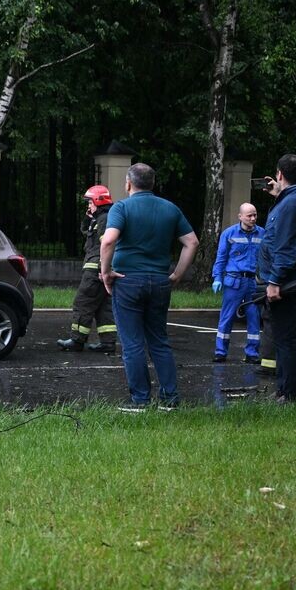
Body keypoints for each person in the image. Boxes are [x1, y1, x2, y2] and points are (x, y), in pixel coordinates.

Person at [99, 163, 199, 411]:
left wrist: (105, 272)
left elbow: (108, 241)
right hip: (160, 280)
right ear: (153, 183)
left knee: (132, 343)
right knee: (159, 340)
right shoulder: (170, 208)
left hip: (128, 280)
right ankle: (170, 398)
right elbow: (192, 242)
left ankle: (140, 400)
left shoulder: (121, 207)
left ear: (128, 183)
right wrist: (176, 275)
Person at [257, 154, 296, 403]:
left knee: (284, 339)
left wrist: (274, 282)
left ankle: (290, 394)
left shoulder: (291, 205)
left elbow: (285, 246)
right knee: (285, 337)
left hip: (284, 281)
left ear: (280, 174)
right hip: (292, 277)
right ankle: (286, 390)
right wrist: (279, 194)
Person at [57, 184, 118, 354]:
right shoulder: (99, 219)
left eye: (90, 202)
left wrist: (102, 268)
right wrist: (88, 217)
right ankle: (108, 343)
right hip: (99, 269)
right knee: (103, 307)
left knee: (82, 302)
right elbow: (85, 231)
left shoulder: (104, 219)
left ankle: (77, 340)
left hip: (95, 270)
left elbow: (108, 245)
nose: (88, 205)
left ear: (99, 201)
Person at [211, 203, 265, 363]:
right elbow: (221, 257)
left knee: (254, 317)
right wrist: (217, 278)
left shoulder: (262, 233)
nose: (253, 218)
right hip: (234, 281)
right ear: (240, 216)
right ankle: (220, 352)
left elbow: (267, 257)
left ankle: (252, 353)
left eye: (255, 215)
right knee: (227, 316)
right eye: (249, 215)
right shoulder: (229, 233)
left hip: (252, 282)